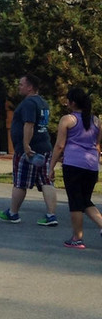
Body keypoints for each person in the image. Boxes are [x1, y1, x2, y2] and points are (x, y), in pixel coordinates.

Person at [0, 74, 59, 226]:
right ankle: (51, 215)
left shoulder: (28, 103)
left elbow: (29, 124)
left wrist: (26, 145)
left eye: (21, 84)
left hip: (29, 151)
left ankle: (13, 213)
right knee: (46, 181)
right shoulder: (43, 102)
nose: (19, 87)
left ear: (30, 87)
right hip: (45, 147)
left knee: (20, 182)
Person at [48, 87, 102, 248]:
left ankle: (77, 237)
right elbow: (98, 145)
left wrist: (51, 167)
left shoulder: (68, 119)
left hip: (73, 164)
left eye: (68, 101)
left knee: (75, 202)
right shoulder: (97, 121)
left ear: (72, 103)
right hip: (91, 165)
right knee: (85, 200)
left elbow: (59, 145)